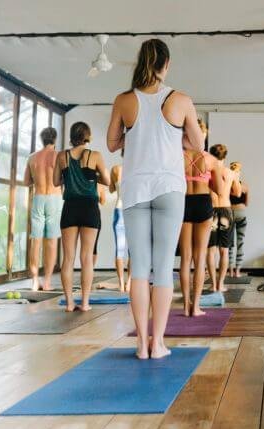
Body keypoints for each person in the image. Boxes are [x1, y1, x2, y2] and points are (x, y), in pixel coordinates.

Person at [106, 38, 204, 359]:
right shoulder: (181, 100)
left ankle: (140, 344)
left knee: (139, 268)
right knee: (162, 269)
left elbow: (112, 144)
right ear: (167, 64)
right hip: (169, 189)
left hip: (135, 188)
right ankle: (157, 343)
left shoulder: (124, 100)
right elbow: (198, 144)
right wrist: (175, 139)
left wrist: (136, 137)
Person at [53, 122, 110, 313]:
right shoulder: (95, 155)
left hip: (70, 207)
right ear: (88, 136)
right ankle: (85, 303)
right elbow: (107, 181)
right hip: (89, 208)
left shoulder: (62, 156)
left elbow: (55, 182)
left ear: (72, 136)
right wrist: (92, 176)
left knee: (68, 258)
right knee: (86, 258)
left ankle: (70, 303)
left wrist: (69, 176)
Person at [180, 136, 223, 316]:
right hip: (203, 202)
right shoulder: (211, 160)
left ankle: (185, 306)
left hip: (183, 202)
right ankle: (196, 307)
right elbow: (220, 190)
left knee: (185, 258)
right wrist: (207, 180)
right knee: (200, 258)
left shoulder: (177, 157)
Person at [24, 127, 62, 292]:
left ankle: (34, 280)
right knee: (51, 241)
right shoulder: (58, 156)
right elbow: (63, 179)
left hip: (38, 198)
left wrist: (38, 176)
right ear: (55, 139)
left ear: (42, 139)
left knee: (36, 240)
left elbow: (26, 182)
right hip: (54, 199)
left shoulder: (32, 157)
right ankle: (46, 281)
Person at [206, 144, 240, 292]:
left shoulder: (208, 172)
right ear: (225, 156)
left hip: (211, 210)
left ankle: (213, 285)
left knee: (211, 250)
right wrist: (234, 179)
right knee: (224, 251)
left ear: (211, 155)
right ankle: (220, 284)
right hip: (226, 210)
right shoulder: (230, 173)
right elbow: (238, 193)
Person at [108, 156, 130, 292]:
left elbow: (111, 189)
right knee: (133, 251)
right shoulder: (137, 169)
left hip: (119, 209)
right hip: (133, 211)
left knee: (119, 250)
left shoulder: (116, 169)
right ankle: (129, 283)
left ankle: (121, 284)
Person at [228, 161, 249, 278]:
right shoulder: (244, 186)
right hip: (241, 214)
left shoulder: (227, 186)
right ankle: (237, 271)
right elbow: (247, 203)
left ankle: (231, 271)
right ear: (239, 172)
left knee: (230, 244)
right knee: (240, 243)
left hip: (230, 214)